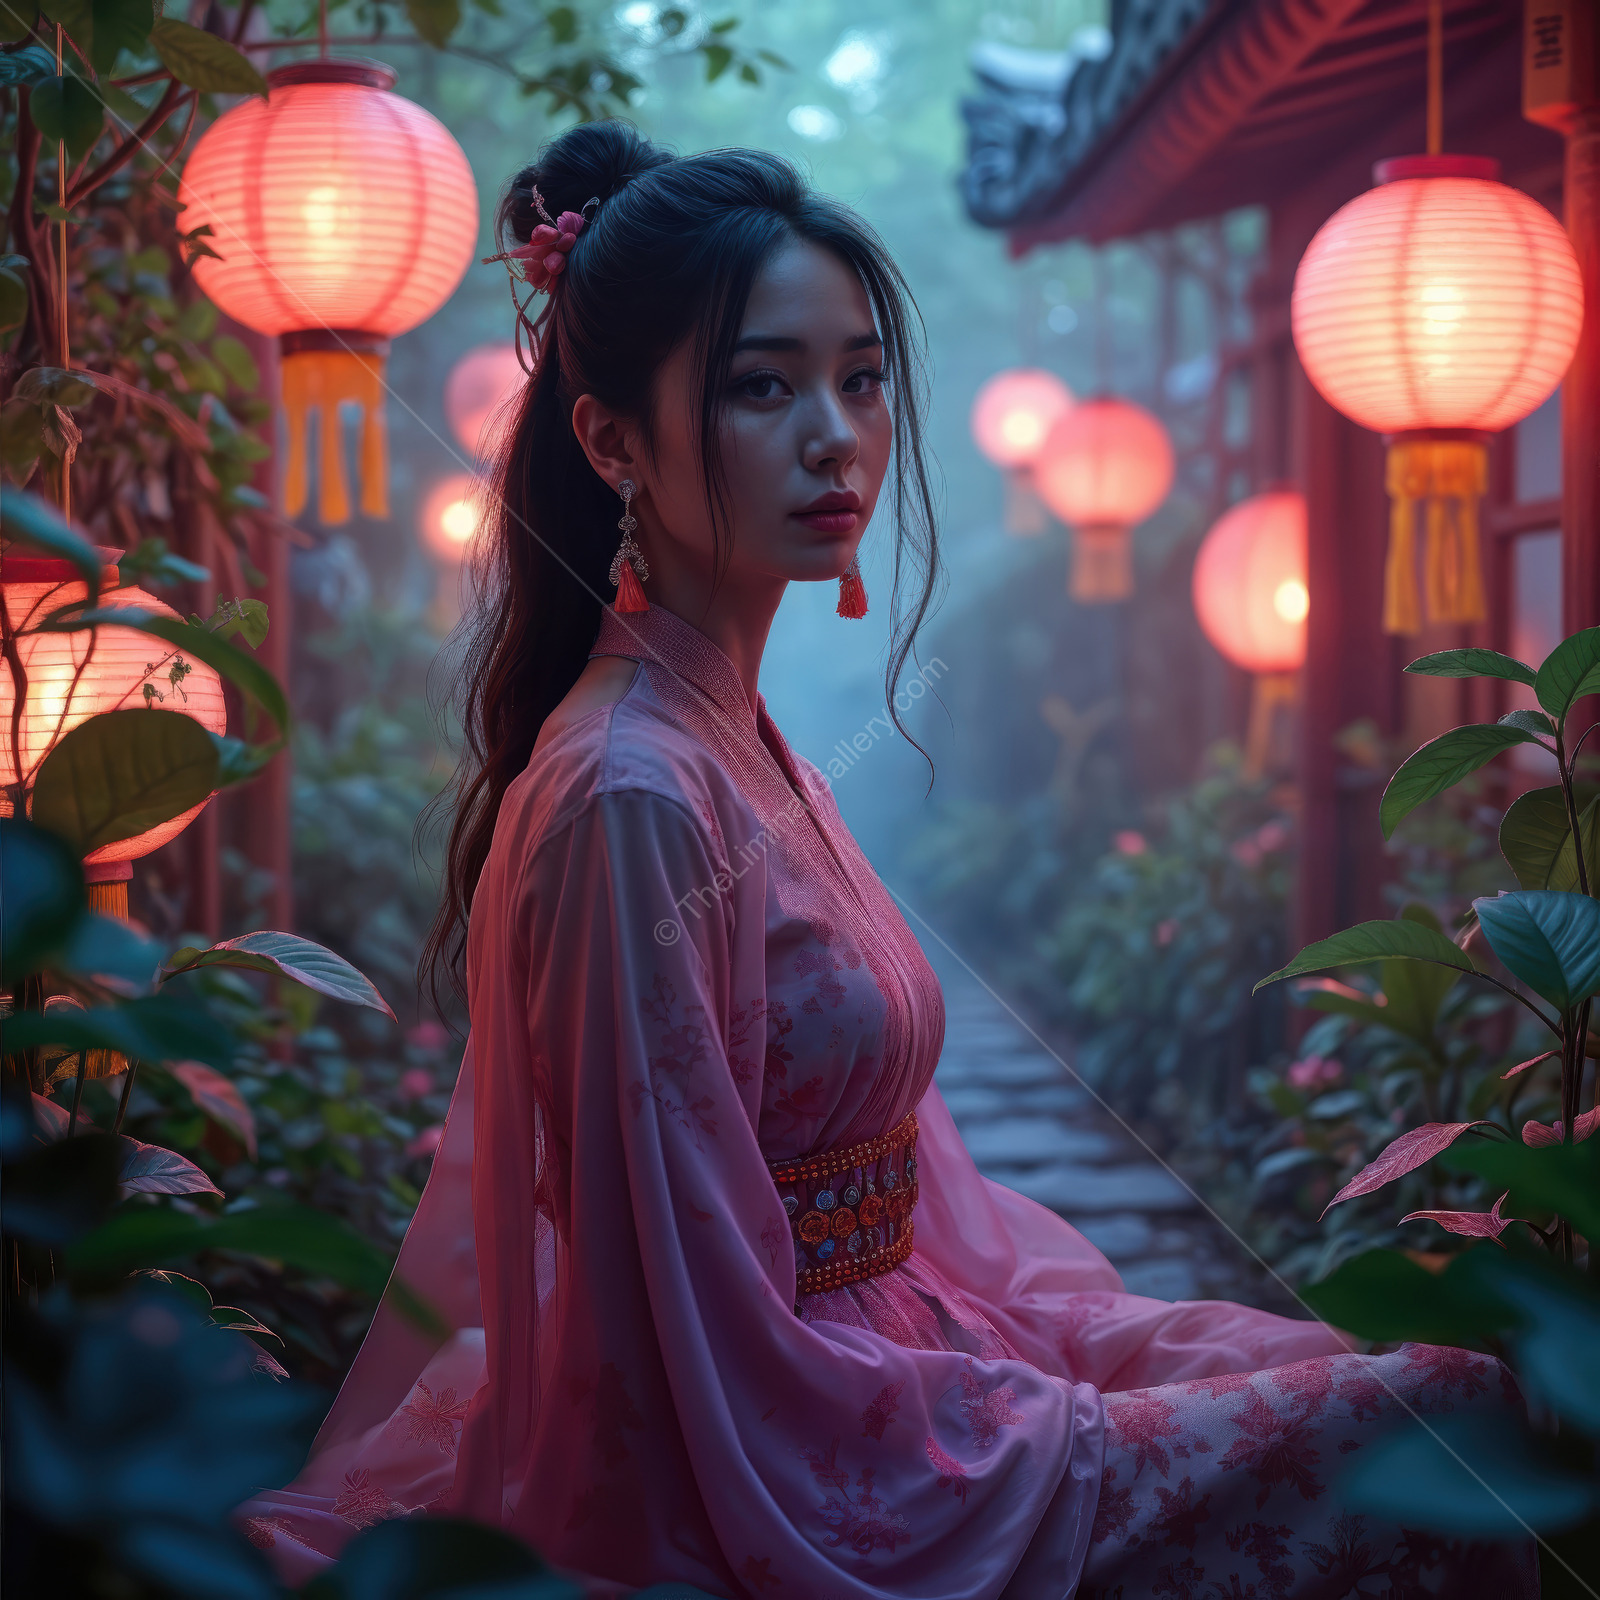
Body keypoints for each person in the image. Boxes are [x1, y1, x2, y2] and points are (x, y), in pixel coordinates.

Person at [238, 122, 1538, 1597]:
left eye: (859, 377)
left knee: (1417, 1389)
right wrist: (1060, 1427)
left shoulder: (731, 736)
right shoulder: (634, 796)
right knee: (1440, 1431)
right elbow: (681, 1337)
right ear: (610, 443)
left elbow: (933, 1227)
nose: (834, 433)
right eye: (761, 386)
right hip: (792, 1442)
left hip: (914, 1347)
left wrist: (1113, 1362)